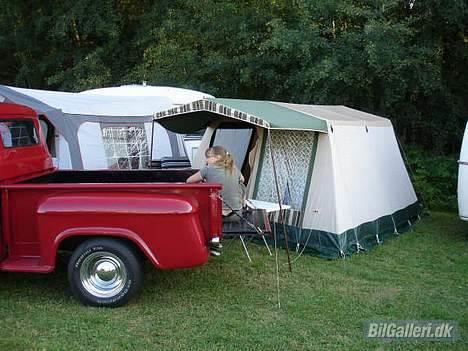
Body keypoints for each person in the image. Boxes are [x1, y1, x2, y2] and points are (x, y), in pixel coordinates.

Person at [187, 146, 245, 220]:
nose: (206, 160)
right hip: (237, 214)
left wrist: (202, 181)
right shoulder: (233, 168)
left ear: (217, 157)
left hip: (216, 216)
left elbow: (188, 181)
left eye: (208, 157)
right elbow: (242, 180)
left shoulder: (207, 169)